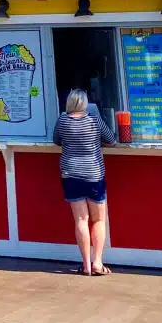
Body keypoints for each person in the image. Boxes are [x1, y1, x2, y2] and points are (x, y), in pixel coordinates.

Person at [52, 88, 116, 277]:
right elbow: (111, 140)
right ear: (85, 103)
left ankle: (86, 265)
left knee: (81, 220)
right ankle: (98, 262)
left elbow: (56, 141)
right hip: (93, 174)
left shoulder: (63, 121)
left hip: (70, 173)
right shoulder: (94, 120)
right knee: (98, 220)